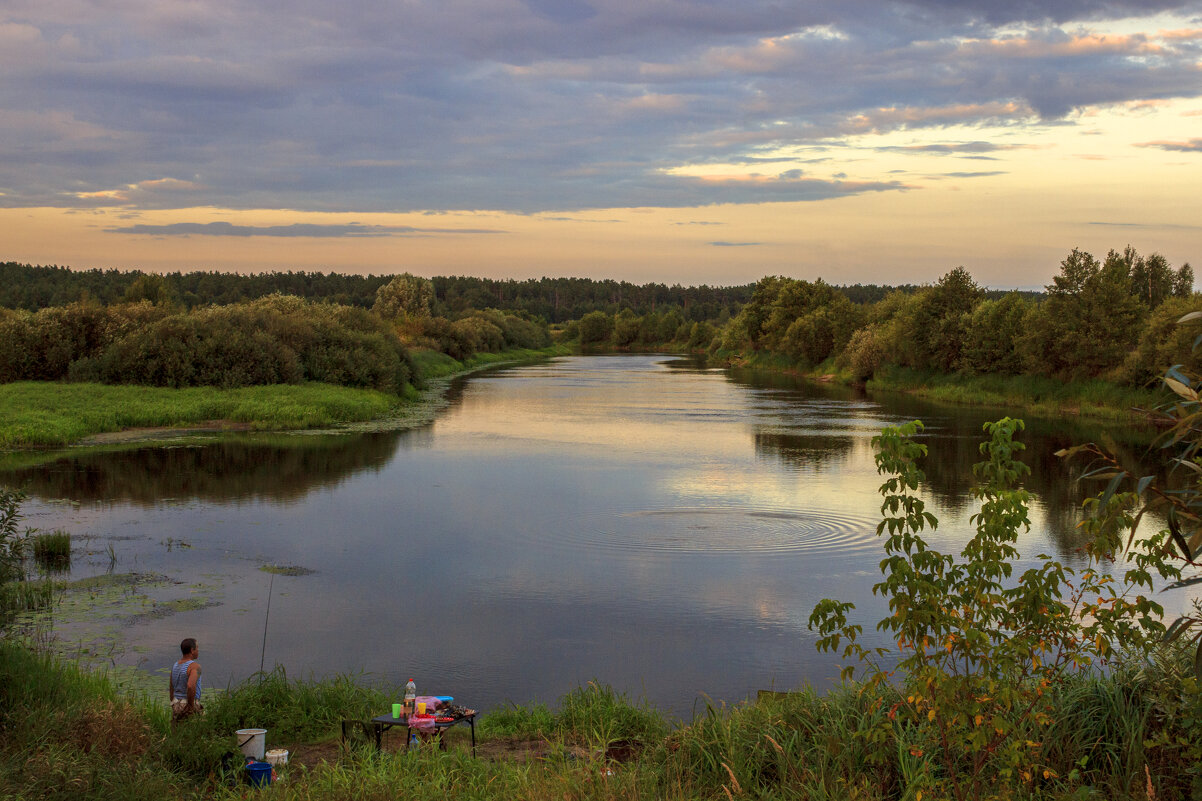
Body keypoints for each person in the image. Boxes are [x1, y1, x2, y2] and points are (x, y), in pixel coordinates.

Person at [169, 637, 203, 722]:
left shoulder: (175, 665)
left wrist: (173, 702)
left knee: (177, 731)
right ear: (192, 650)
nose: (198, 651)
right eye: (197, 648)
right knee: (194, 731)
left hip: (176, 702)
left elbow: (171, 687)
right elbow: (191, 686)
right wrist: (191, 707)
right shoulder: (195, 666)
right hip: (188, 703)